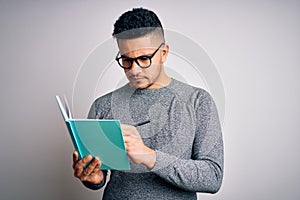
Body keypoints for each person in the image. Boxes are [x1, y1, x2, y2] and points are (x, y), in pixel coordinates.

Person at [72, 7, 223, 200]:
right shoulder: (102, 106)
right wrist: (93, 178)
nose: (134, 70)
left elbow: (213, 177)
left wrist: (150, 156)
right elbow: (101, 177)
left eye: (144, 58)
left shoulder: (198, 101)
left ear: (164, 53)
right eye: (126, 60)